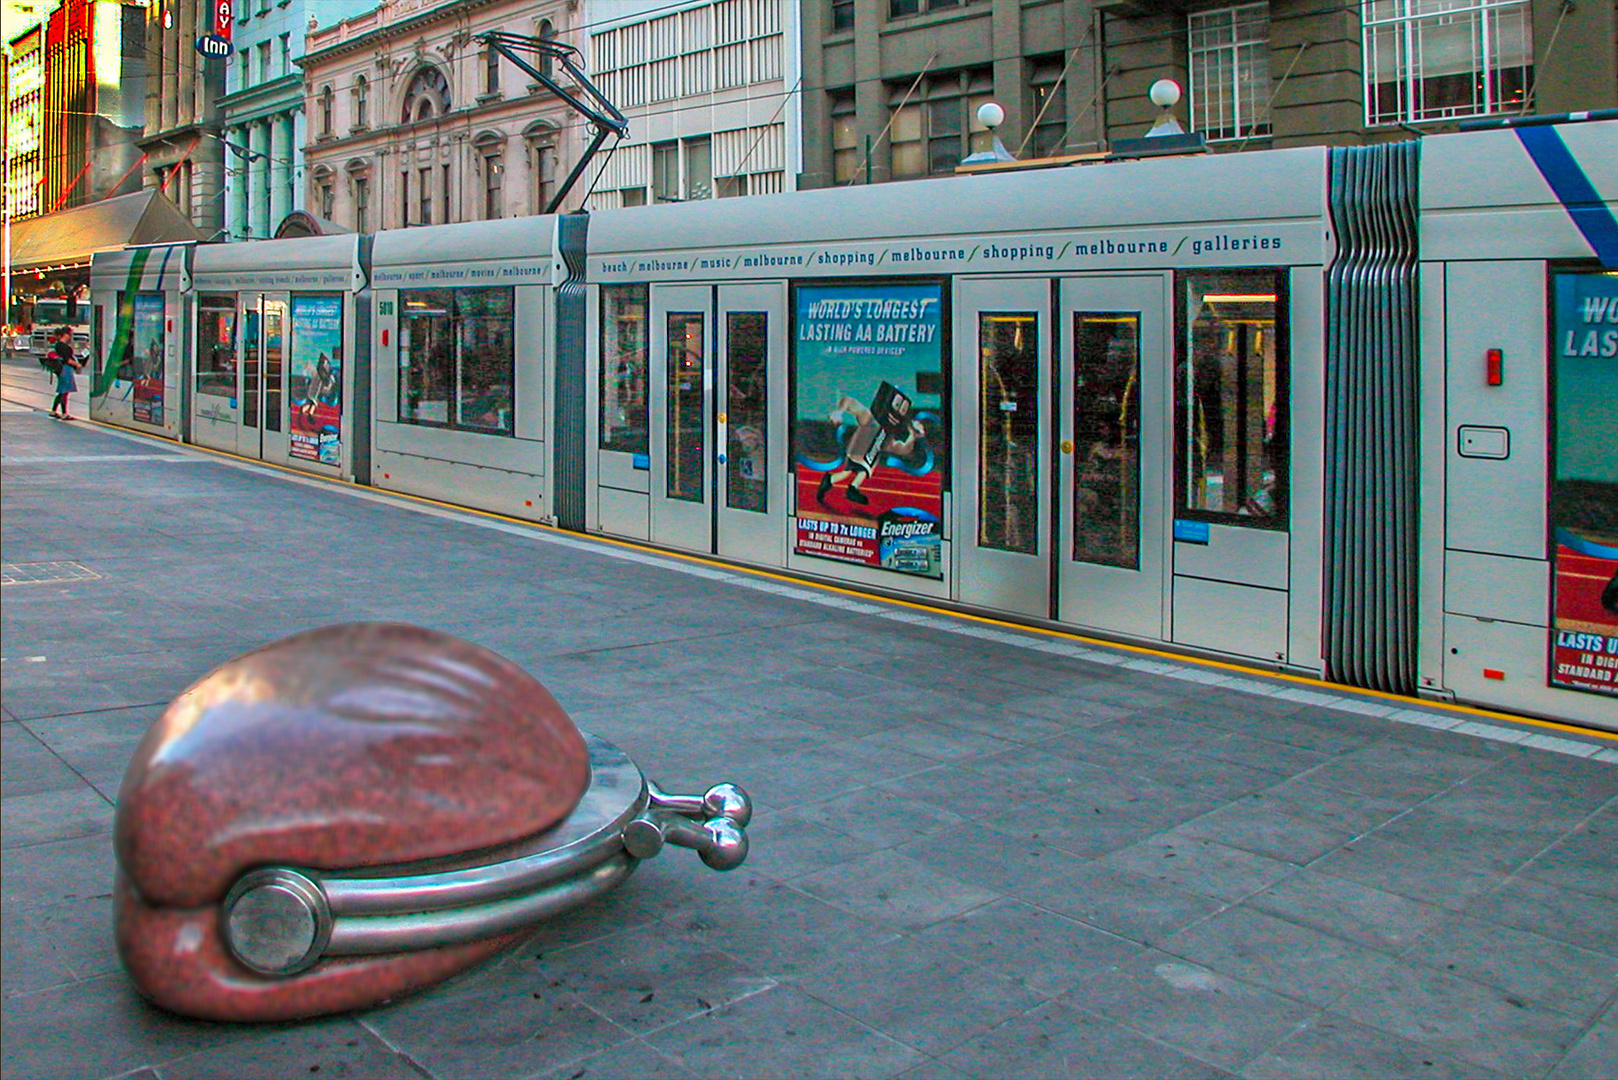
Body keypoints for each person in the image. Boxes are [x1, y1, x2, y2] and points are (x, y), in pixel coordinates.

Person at [816, 382, 924, 508]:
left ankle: (832, 482)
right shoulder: (869, 417)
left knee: (853, 471)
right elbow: (849, 401)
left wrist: (913, 436)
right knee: (856, 470)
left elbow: (900, 449)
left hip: (868, 456)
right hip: (858, 450)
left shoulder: (887, 433)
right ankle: (849, 488)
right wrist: (838, 412)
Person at [50, 328, 83, 419]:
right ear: (66, 335)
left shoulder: (60, 345)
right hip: (65, 369)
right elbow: (67, 359)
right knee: (64, 391)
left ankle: (54, 411)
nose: (71, 336)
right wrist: (77, 365)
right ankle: (64, 413)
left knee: (62, 391)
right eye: (70, 334)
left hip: (62, 369)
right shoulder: (62, 346)